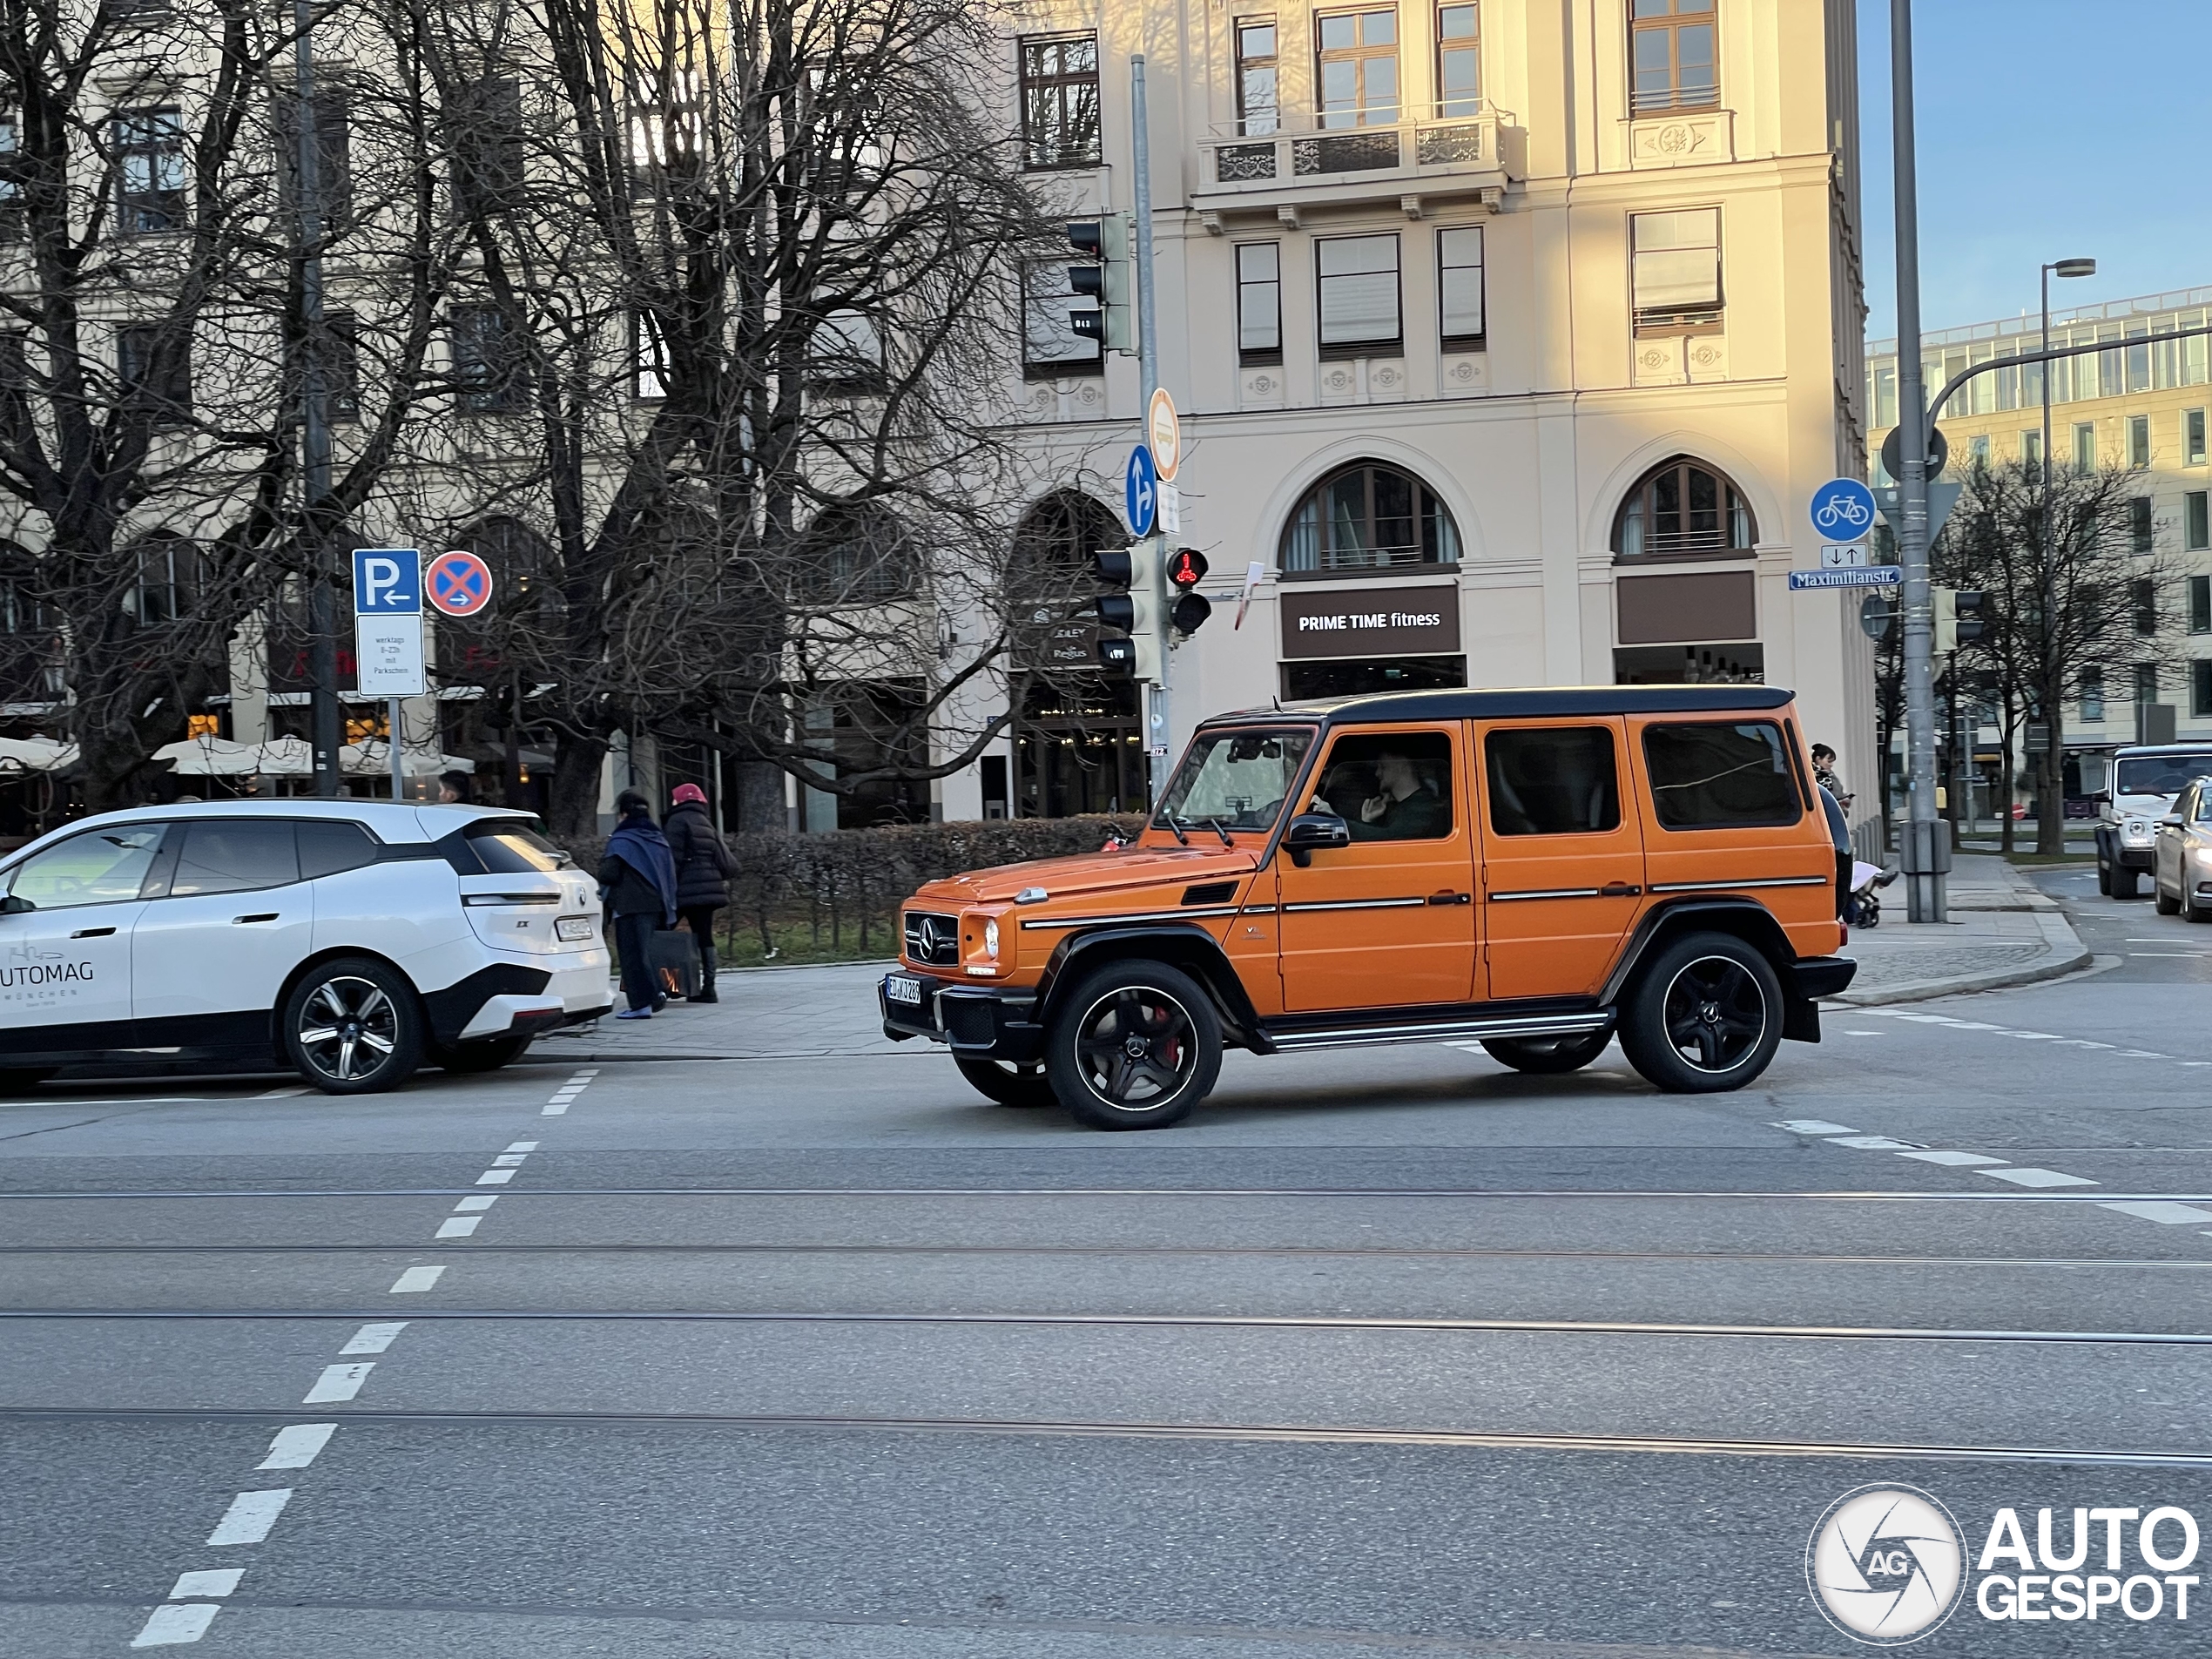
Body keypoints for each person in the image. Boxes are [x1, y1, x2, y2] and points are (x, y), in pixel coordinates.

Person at [597, 790, 678, 1019]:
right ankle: (653, 995)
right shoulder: (658, 838)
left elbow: (609, 874)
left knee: (632, 955)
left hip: (629, 905)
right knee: (646, 952)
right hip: (656, 903)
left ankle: (645, 1001)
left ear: (623, 814)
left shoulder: (622, 840)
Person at [663, 782, 736, 1003]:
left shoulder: (677, 820)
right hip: (709, 888)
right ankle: (709, 988)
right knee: (704, 937)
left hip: (684, 889)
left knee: (666, 934)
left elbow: (672, 859)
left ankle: (672, 986)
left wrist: (665, 887)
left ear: (680, 800)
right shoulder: (705, 821)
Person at [1345, 748, 1449, 840]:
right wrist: (1368, 819)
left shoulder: (1425, 808)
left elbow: (1389, 838)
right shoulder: (1397, 807)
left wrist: (1341, 826)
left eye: (1383, 767)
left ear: (1402, 766)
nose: (1377, 773)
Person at [1811, 744, 1851, 811]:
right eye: (1829, 761)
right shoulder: (1811, 776)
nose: (1831, 765)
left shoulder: (1830, 775)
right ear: (1818, 759)